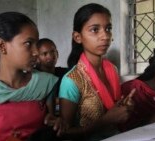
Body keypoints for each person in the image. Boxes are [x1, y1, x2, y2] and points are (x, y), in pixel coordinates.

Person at [0, 12, 62, 141]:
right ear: (2, 46)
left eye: (36, 44)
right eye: (28, 43)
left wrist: (57, 124)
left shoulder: (44, 84)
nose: (35, 52)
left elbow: (54, 122)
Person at [59, 3, 134, 141]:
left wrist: (125, 108)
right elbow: (64, 133)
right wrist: (105, 121)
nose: (105, 36)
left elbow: (114, 107)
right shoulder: (72, 80)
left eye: (108, 29)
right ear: (78, 37)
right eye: (94, 30)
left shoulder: (112, 69)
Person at [36, 38, 69, 115]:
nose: (50, 56)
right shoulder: (34, 76)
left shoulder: (65, 73)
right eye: (45, 54)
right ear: (37, 58)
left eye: (53, 52)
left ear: (57, 53)